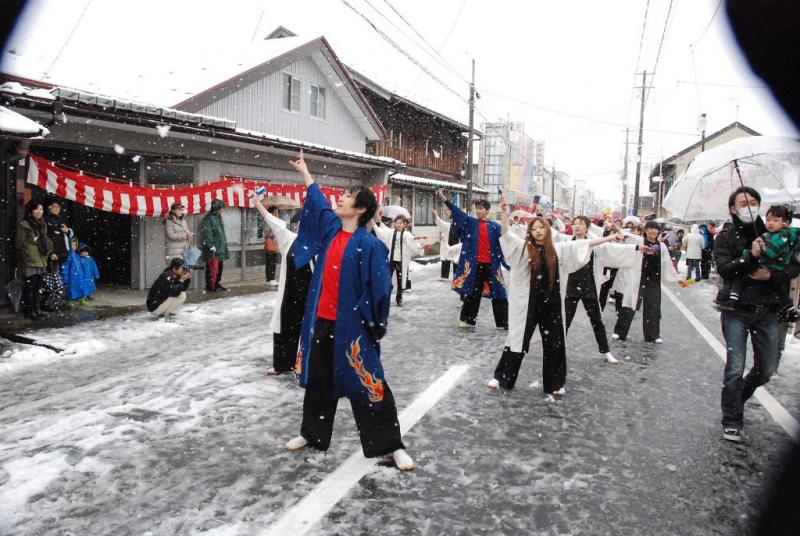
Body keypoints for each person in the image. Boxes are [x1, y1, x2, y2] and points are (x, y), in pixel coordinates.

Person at [283, 150, 413, 471]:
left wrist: (371, 324)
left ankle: (390, 445)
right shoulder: (329, 231)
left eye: (347, 197)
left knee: (369, 383)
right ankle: (312, 434)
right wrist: (306, 173)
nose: (340, 199)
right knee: (318, 381)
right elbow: (317, 203)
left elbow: (381, 290)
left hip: (353, 329)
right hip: (321, 324)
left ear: (361, 208)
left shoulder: (371, 246)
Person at [487, 199, 625, 398]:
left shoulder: (559, 249)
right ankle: (502, 378)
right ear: (530, 232)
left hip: (552, 304)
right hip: (529, 304)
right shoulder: (524, 248)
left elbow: (586, 243)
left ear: (548, 231)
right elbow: (506, 234)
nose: (538, 231)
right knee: (517, 339)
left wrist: (610, 236)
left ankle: (555, 384)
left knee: (555, 343)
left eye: (541, 228)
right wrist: (505, 213)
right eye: (533, 229)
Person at [713, 187, 800, 443]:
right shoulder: (725, 236)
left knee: (766, 368)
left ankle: (737, 397)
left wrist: (772, 274)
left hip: (769, 309)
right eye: (743, 203)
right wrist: (751, 257)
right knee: (735, 367)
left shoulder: (777, 232)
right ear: (733, 208)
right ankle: (731, 418)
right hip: (736, 309)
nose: (749, 207)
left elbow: (794, 266)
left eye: (754, 202)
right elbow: (725, 269)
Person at [564, 215, 643, 364]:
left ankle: (606, 351)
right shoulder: (567, 242)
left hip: (589, 286)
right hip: (570, 287)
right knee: (564, 321)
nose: (577, 226)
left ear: (587, 227)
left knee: (597, 321)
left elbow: (613, 249)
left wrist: (637, 248)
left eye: (581, 224)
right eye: (575, 224)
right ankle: (559, 349)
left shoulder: (596, 243)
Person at [251, 197, 312, 375]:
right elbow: (274, 221)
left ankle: (306, 365)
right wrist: (258, 204)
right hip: (290, 295)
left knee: (312, 333)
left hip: (311, 295)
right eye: (302, 224)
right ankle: (283, 364)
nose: (303, 227)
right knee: (284, 329)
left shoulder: (320, 245)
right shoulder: (290, 239)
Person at [435, 189, 508, 329]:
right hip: (475, 265)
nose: (478, 211)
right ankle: (467, 321)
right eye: (477, 208)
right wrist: (444, 199)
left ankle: (504, 323)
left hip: (492, 266)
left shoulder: (495, 227)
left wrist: (505, 211)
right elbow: (456, 211)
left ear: (487, 210)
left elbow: (507, 234)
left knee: (499, 292)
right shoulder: (471, 223)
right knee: (473, 293)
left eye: (481, 208)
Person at [727, 205, 800, 322]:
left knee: (742, 277)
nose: (770, 223)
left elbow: (771, 252)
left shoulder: (781, 236)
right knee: (780, 291)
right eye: (768, 220)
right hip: (774, 268)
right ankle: (791, 310)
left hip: (770, 266)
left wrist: (757, 252)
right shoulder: (771, 235)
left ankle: (732, 299)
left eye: (775, 220)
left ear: (785, 222)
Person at [612, 221, 679, 343]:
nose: (653, 231)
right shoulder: (639, 241)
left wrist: (676, 278)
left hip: (653, 281)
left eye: (656, 229)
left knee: (653, 308)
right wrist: (617, 229)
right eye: (651, 229)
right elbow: (625, 237)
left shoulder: (662, 246)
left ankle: (652, 335)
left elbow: (667, 264)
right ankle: (619, 332)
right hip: (638, 278)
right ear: (646, 230)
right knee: (629, 306)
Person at [16, 200, 55, 320]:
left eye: (41, 209)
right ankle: (29, 311)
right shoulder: (25, 224)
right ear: (31, 210)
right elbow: (20, 243)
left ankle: (37, 309)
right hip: (30, 260)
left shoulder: (43, 224)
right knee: (30, 286)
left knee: (38, 286)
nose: (39, 212)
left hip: (41, 259)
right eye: (36, 209)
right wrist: (25, 256)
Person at [374, 215, 422, 306]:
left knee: (400, 281)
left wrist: (420, 247)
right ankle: (385, 299)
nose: (398, 224)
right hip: (391, 260)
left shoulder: (407, 234)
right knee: (387, 280)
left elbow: (413, 242)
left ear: (404, 224)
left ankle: (399, 299)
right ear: (395, 224)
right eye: (397, 223)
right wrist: (374, 224)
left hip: (401, 261)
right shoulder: (391, 233)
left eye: (400, 223)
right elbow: (381, 232)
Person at [201, 199, 229, 292]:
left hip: (220, 247)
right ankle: (211, 287)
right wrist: (211, 245)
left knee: (219, 268)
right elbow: (207, 233)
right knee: (212, 269)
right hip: (213, 249)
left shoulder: (218, 217)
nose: (222, 210)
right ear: (216, 208)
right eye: (221, 208)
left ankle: (217, 284)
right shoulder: (208, 219)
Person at [432, 207, 461, 280]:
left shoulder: (460, 227)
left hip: (456, 245)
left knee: (456, 261)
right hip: (447, 245)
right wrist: (435, 214)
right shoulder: (447, 225)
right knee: (445, 260)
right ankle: (444, 276)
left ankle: (456, 276)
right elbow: (439, 221)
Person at [264, 205, 280, 286]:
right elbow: (267, 234)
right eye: (275, 212)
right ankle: (269, 279)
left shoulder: (275, 221)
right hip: (270, 244)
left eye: (277, 212)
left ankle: (272, 278)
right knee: (269, 262)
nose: (277, 213)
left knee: (274, 263)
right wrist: (272, 232)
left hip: (275, 244)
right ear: (271, 212)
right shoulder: (268, 220)